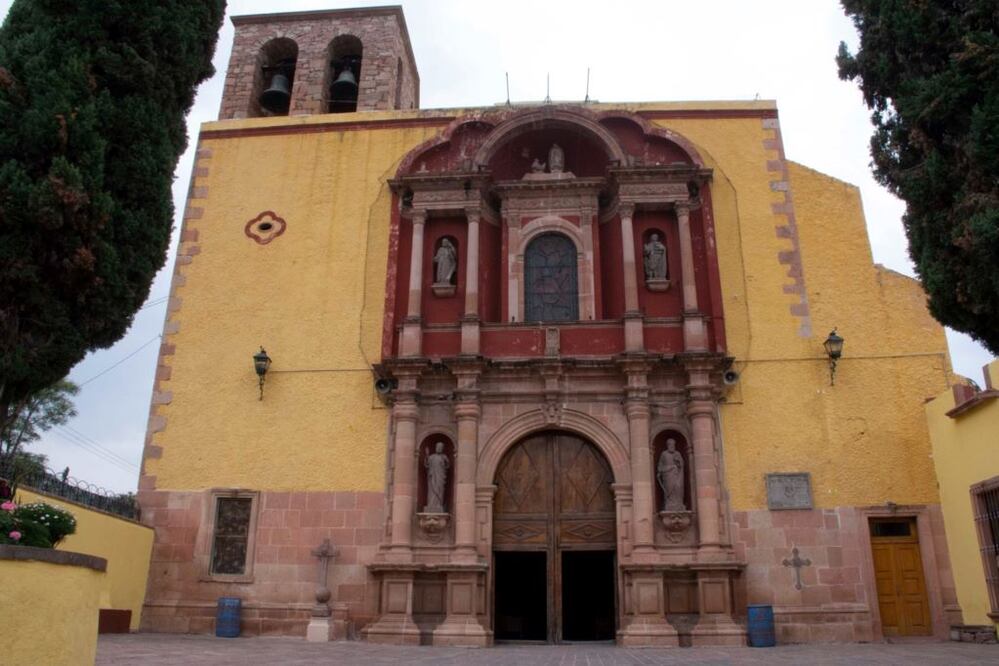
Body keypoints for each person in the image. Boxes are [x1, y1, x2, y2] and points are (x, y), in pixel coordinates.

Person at [656, 439, 685, 511]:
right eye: (670, 444)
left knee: (678, 488)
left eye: (673, 444)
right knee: (668, 490)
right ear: (668, 445)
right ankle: (669, 504)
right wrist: (662, 470)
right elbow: (660, 466)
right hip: (667, 476)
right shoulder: (664, 454)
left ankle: (679, 504)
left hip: (677, 476)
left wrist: (678, 461)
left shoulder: (677, 453)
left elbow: (681, 465)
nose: (672, 446)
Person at [424, 442, 450, 513]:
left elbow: (448, 466)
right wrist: (427, 455)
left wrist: (445, 463)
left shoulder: (444, 457)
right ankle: (431, 505)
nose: (438, 448)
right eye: (437, 446)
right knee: (432, 490)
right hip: (432, 476)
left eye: (440, 447)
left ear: (442, 448)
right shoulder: (431, 457)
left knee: (440, 489)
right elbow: (427, 464)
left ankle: (439, 504)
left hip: (440, 476)